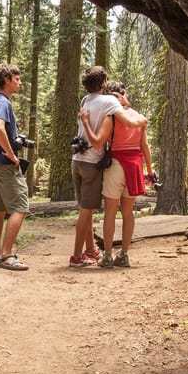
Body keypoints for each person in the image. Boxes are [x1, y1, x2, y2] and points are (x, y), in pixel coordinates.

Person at [70, 67, 147, 268]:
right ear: (103, 83)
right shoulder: (111, 104)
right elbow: (131, 127)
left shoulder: (86, 101)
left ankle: (97, 252)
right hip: (103, 163)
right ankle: (82, 256)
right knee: (95, 211)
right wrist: (143, 119)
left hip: (82, 160)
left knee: (93, 210)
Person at [97, 81, 154, 268]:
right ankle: (124, 254)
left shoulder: (112, 115)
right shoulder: (138, 116)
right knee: (128, 213)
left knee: (110, 212)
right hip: (134, 165)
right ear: (124, 94)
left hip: (115, 163)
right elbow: (145, 146)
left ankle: (107, 256)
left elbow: (102, 140)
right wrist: (149, 171)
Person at [0, 64, 30, 271]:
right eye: (17, 79)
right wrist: (10, 153)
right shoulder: (3, 103)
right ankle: (6, 255)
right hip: (5, 163)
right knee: (20, 207)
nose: (20, 83)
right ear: (7, 80)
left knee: (0, 207)